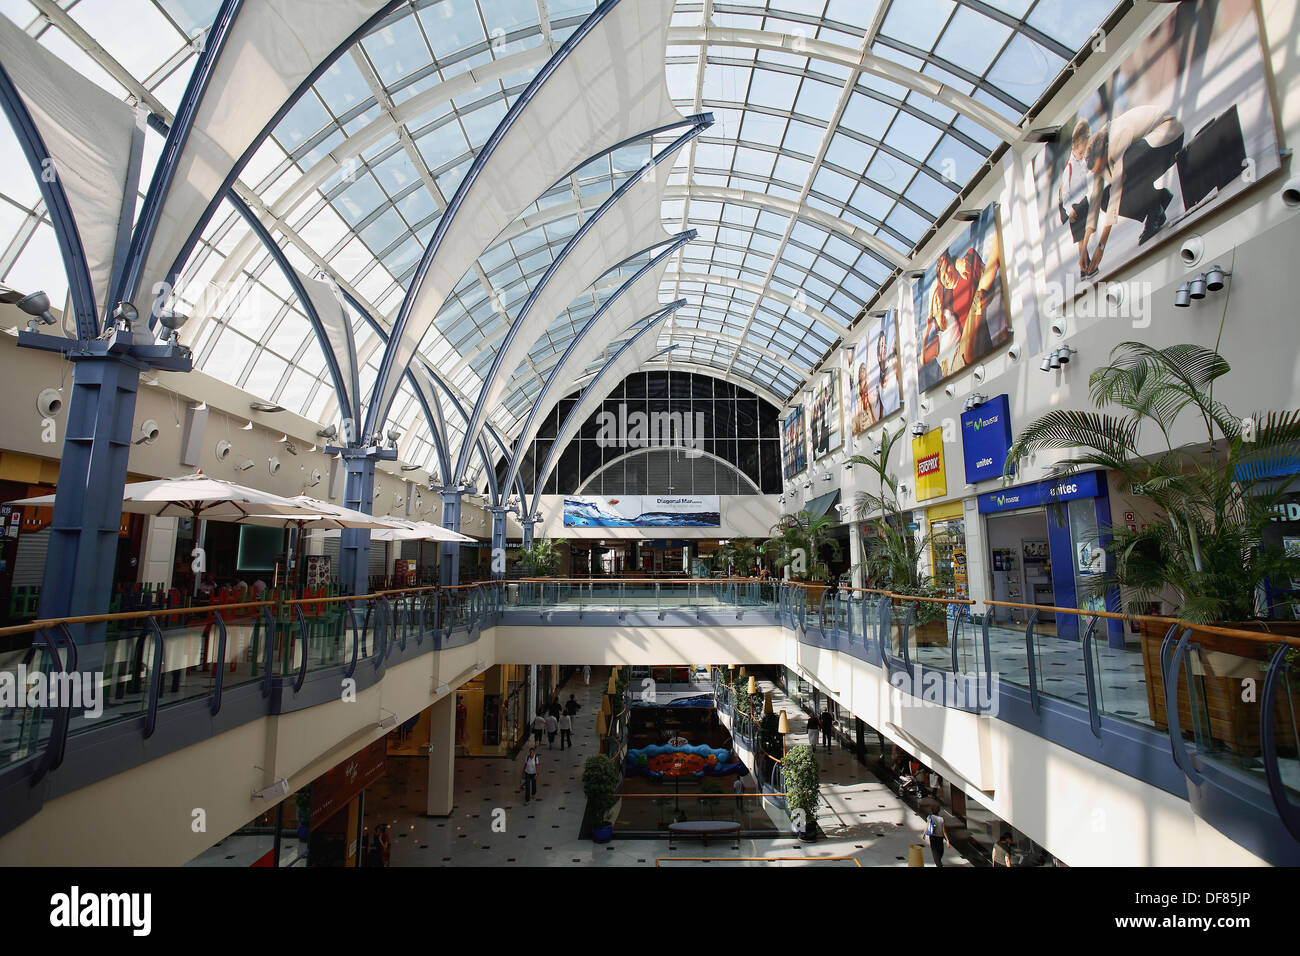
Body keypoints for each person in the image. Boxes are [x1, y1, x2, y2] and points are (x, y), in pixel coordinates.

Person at [1082, 104, 1185, 273]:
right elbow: (1095, 199)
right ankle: (1156, 205)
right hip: (1148, 153)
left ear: (1106, 150)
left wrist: (1101, 247)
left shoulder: (1117, 137)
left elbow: (1117, 191)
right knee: (1104, 199)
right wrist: (1084, 248)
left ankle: (1155, 207)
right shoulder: (1098, 150)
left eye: (1100, 169)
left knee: (1124, 174)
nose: (1100, 173)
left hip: (1169, 137)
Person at [1056, 119, 1095, 277]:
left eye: (1083, 152)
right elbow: (1064, 193)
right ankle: (1084, 267)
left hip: (1083, 201)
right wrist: (1069, 210)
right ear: (1074, 147)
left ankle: (1085, 265)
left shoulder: (1081, 161)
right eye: (1080, 152)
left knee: (1084, 236)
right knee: (1081, 239)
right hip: (1074, 208)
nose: (1081, 155)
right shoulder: (1069, 168)